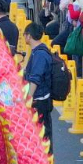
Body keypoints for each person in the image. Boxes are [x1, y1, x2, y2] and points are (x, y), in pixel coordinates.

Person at [23, 22, 54, 155]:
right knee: (41, 132)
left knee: (43, 133)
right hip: (41, 98)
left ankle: (46, 162)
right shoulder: (38, 51)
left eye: (24, 34)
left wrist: (28, 99)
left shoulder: (40, 55)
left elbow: (35, 78)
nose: (24, 37)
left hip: (40, 100)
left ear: (29, 36)